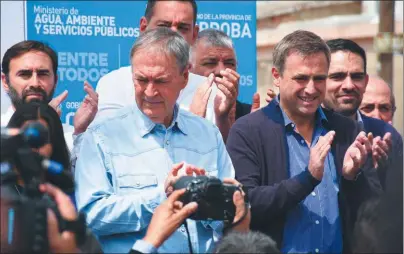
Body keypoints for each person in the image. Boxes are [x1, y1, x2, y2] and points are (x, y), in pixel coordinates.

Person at [75, 28, 235, 253]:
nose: (149, 91)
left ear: (185, 77)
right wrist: (162, 197)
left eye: (160, 81)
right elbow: (89, 215)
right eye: (141, 80)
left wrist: (214, 200)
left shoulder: (207, 134)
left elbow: (231, 212)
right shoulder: (103, 136)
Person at [226, 30, 382, 253]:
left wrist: (352, 177)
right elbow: (247, 203)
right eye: (301, 78)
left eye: (319, 78)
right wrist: (307, 179)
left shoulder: (346, 130)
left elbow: (371, 210)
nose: (311, 88)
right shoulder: (248, 130)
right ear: (277, 76)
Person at [96, 0, 237, 128]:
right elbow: (110, 145)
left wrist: (223, 120)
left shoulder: (209, 90)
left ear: (194, 35)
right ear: (143, 27)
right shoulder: (113, 84)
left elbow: (217, 153)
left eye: (183, 28)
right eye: (164, 26)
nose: (173, 36)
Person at [3, 102, 103, 253]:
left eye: (41, 138)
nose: (33, 147)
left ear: (53, 144)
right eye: (25, 138)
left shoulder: (68, 201)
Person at [1, 40, 98, 169]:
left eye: (43, 74)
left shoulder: (70, 137)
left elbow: (82, 183)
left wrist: (80, 132)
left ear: (55, 80)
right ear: (5, 81)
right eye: (25, 74)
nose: (35, 83)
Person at [324, 38, 403, 188]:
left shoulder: (386, 135)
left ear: (366, 81)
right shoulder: (301, 133)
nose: (348, 85)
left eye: (356, 76)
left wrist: (385, 173)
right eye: (337, 76)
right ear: (320, 80)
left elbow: (395, 206)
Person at [189, 28, 276, 140]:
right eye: (210, 63)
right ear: (189, 69)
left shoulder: (251, 117)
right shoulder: (176, 112)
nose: (221, 71)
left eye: (229, 63)